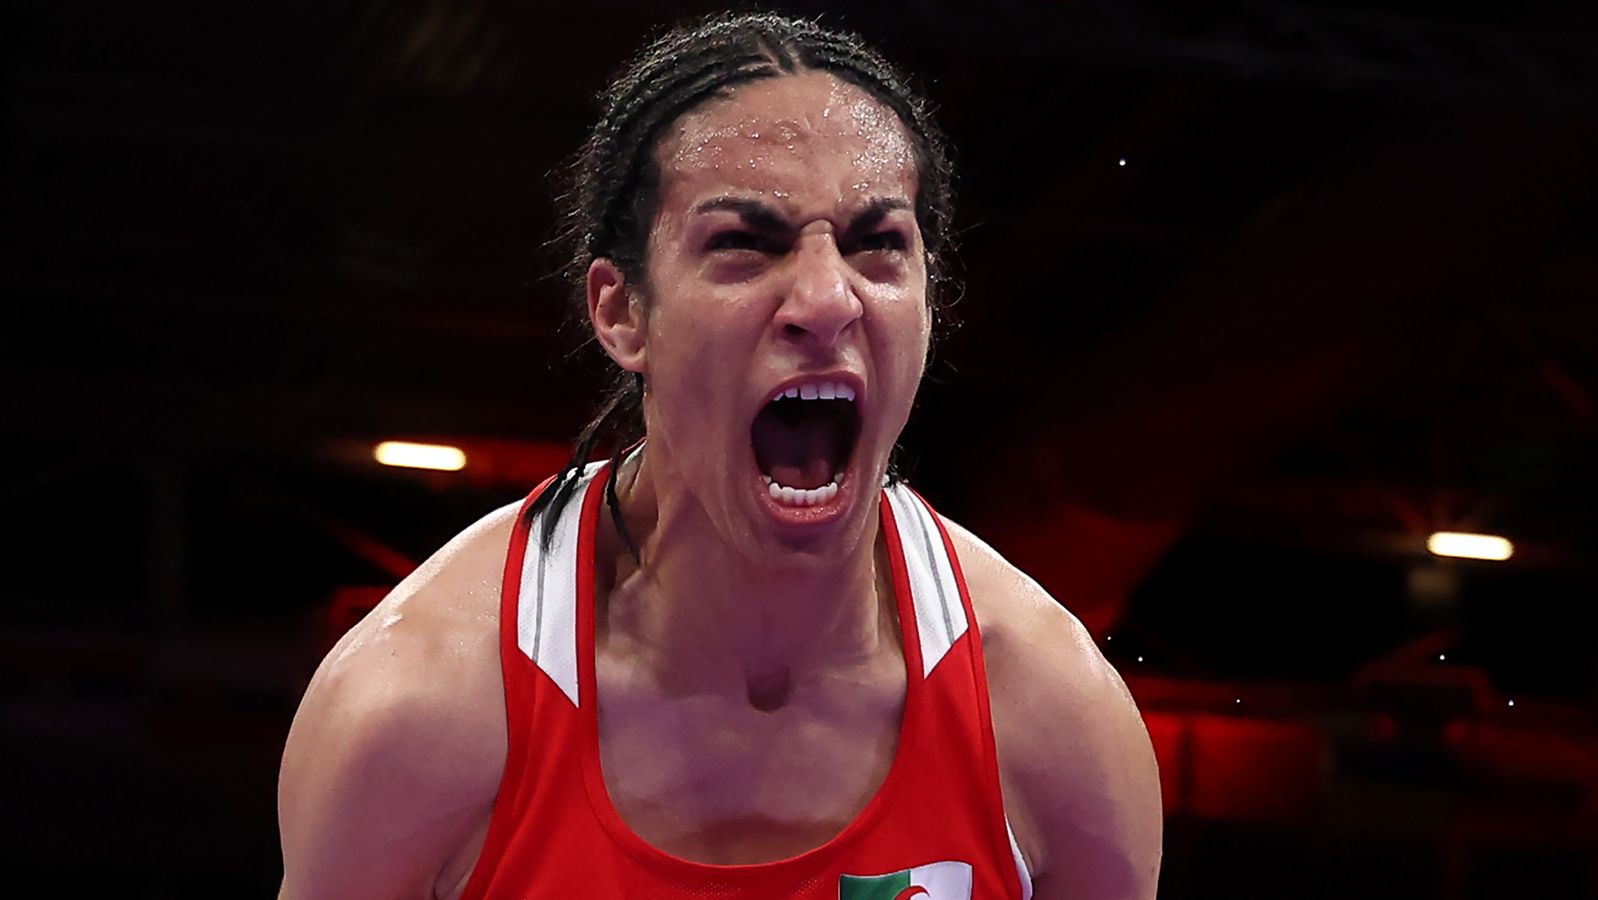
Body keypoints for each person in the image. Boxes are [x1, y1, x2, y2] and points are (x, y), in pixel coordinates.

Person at [277, 12, 1162, 900]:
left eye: (878, 244)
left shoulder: (1052, 718)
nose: (825, 298)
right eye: (746, 243)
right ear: (623, 313)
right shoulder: (420, 713)